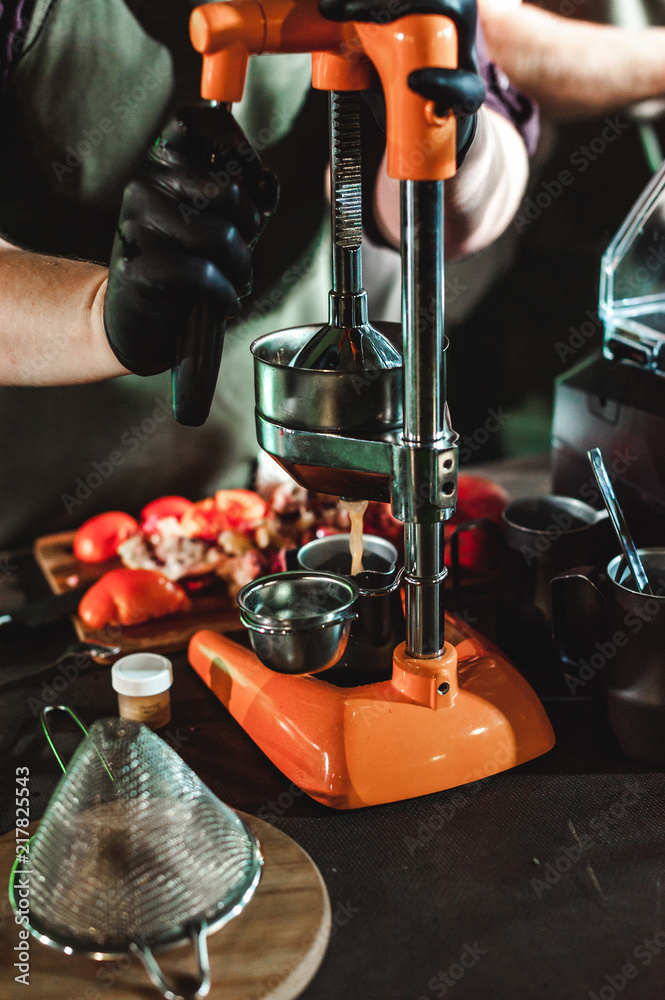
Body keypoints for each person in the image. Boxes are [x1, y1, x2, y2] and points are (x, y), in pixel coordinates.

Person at [0, 0, 535, 546]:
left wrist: (449, 133)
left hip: (282, 500)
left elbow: (462, 213)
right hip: (39, 538)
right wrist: (95, 314)